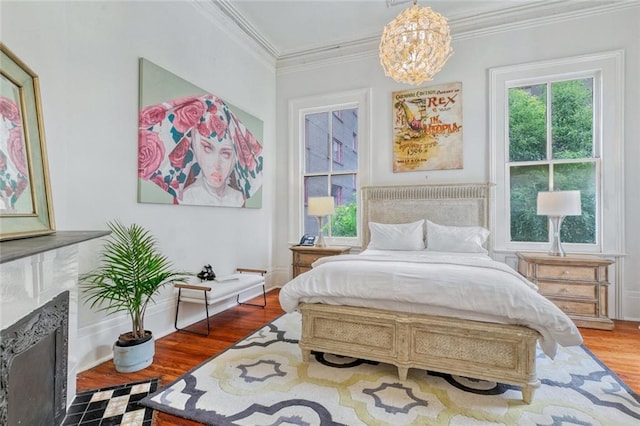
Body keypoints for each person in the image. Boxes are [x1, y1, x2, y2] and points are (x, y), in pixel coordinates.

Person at [180, 119, 244, 207]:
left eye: (226, 154)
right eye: (208, 149)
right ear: (197, 148)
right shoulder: (187, 197)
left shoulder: (238, 198)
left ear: (234, 158)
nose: (217, 165)